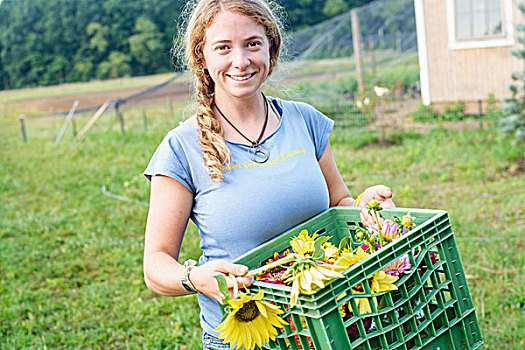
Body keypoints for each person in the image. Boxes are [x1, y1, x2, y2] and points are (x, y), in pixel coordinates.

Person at [142, 0, 394, 349]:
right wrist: (193, 277)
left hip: (328, 326)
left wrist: (363, 209)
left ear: (271, 50)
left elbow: (339, 202)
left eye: (252, 43)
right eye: (223, 48)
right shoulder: (182, 148)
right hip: (246, 337)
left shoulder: (305, 121)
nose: (240, 61)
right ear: (203, 58)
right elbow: (155, 265)